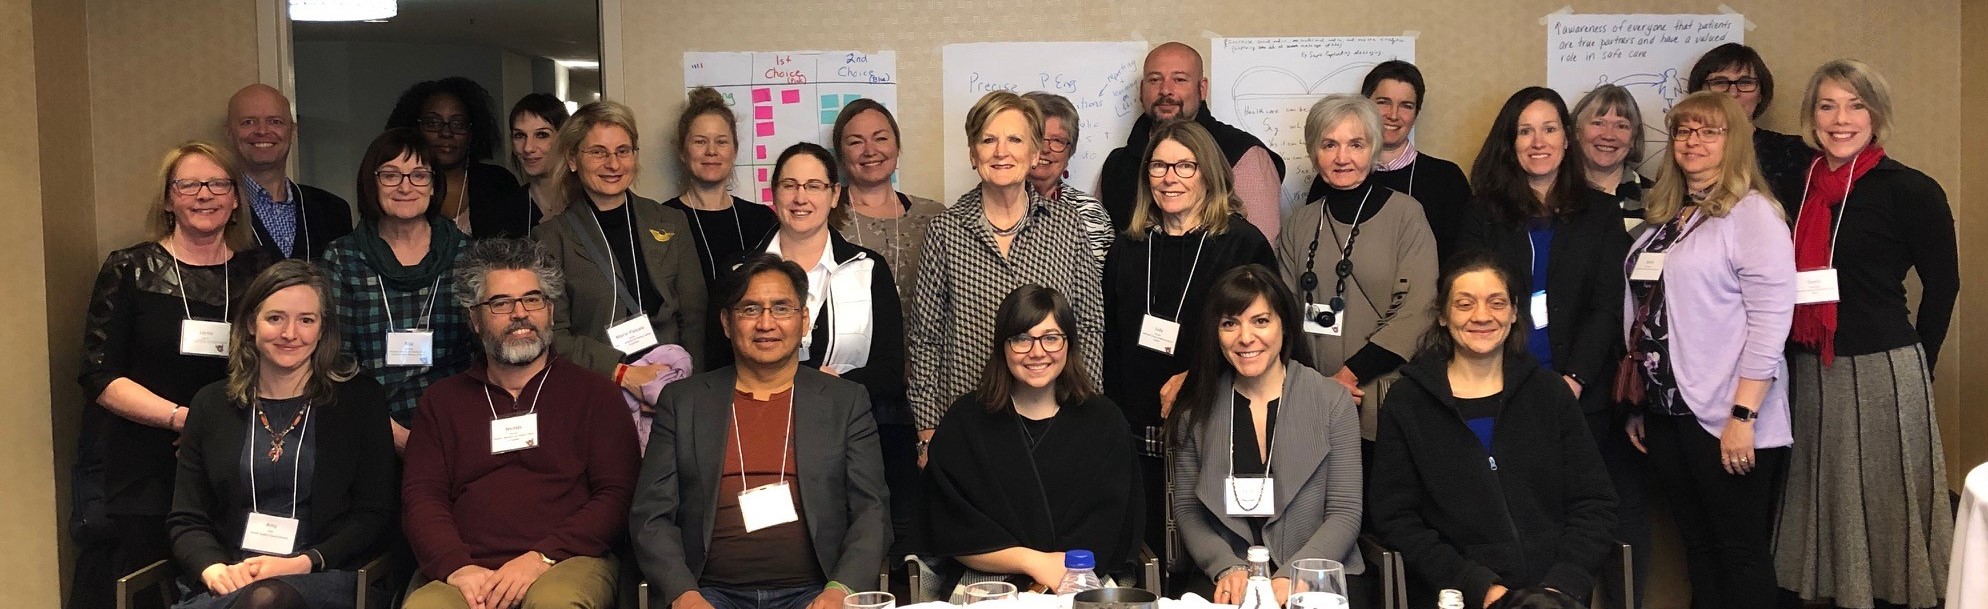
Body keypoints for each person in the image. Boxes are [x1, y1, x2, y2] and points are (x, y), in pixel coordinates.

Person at [1773, 59, 1957, 609]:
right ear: (1811, 116)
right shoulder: (1794, 187)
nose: (1841, 119)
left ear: (1876, 115)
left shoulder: (1911, 189)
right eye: (1827, 105)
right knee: (1823, 500)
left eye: (1856, 105)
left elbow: (1943, 288)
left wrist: (1916, 368)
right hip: (1808, 363)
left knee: (1886, 503)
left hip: (1883, 367)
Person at [1456, 86, 1639, 608]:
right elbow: (1469, 302)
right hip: (1501, 388)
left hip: (1582, 393)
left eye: (1550, 128)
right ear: (1509, 141)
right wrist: (1516, 382)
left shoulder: (1601, 213)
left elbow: (1608, 305)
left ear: (1567, 138)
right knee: (1513, 514)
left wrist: (1573, 379)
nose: (1538, 142)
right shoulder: (1482, 214)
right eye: (1525, 130)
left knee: (1579, 518)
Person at [69, 142, 273, 609]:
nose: (205, 195)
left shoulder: (259, 271)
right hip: (142, 463)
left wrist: (215, 429)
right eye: (188, 185)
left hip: (234, 456)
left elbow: (283, 357)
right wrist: (183, 419)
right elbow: (99, 375)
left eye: (218, 184)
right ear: (167, 199)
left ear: (236, 198)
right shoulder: (130, 268)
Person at [630, 253, 891, 609]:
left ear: (804, 321)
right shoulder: (684, 401)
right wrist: (682, 593)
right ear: (726, 322)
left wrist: (839, 590)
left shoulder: (844, 401)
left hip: (815, 592)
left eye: (781, 308)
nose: (765, 323)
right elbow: (650, 516)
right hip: (708, 593)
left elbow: (871, 512)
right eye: (750, 309)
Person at [1622, 92, 1794, 609]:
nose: (1693, 141)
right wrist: (1639, 403)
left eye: (1709, 132)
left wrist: (1743, 414)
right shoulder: (1667, 217)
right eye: (1683, 131)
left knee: (1739, 552)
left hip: (1727, 413)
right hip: (1668, 410)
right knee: (1698, 547)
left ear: (1734, 142)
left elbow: (1770, 322)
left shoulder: (1753, 214)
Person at [401, 237, 640, 609]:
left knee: (554, 605)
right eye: (500, 303)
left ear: (551, 311)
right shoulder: (442, 401)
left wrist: (540, 558)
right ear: (474, 320)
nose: (520, 313)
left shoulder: (596, 395)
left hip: (566, 561)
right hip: (468, 569)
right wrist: (458, 568)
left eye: (533, 299)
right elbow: (422, 499)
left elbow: (617, 496)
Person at [1370, 254, 1617, 609]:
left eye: (1496, 303)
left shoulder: (1549, 392)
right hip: (1458, 596)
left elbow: (1595, 502)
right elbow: (1395, 518)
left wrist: (1561, 585)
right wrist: (1477, 587)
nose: (1482, 316)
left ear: (1515, 312)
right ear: (1442, 315)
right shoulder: (1408, 403)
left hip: (1556, 595)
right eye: (1464, 304)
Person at [166, 260, 396, 609]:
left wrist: (302, 563)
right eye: (275, 318)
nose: (290, 333)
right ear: (249, 325)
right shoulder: (211, 404)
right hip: (232, 576)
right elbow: (187, 517)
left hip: (322, 574)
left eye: (306, 320)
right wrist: (213, 569)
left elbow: (373, 514)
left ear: (322, 330)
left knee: (269, 600)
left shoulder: (360, 401)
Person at [1100, 118, 1277, 562]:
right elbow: (1111, 341)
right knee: (1148, 559)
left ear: (1209, 173)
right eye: (1158, 166)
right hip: (1136, 437)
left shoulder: (1241, 244)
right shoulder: (1128, 246)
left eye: (1185, 166)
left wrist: (1198, 377)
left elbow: (1267, 343)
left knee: (1212, 560)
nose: (1169, 178)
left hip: (1215, 432)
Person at [907, 90, 1106, 464]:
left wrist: (1086, 411)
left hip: (1053, 420)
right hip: (968, 422)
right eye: (988, 140)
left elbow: (1090, 326)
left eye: (1015, 139)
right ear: (972, 154)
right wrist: (928, 430)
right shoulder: (945, 231)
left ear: (1034, 154)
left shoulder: (1066, 226)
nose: (1001, 152)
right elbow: (925, 338)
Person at [753, 142, 916, 557]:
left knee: (851, 549)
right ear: (773, 193)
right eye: (790, 185)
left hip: (853, 438)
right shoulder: (742, 272)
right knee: (772, 550)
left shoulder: (868, 267)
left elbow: (889, 369)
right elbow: (719, 366)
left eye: (814, 185)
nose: (801, 197)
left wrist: (835, 386)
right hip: (761, 436)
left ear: (834, 194)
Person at [925, 284, 1143, 590]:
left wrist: (1061, 574)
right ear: (1003, 345)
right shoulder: (965, 420)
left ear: (1069, 343)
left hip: (1077, 580)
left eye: (1051, 338)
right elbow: (949, 528)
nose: (1037, 352)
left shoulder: (1105, 421)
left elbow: (1111, 528)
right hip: (986, 585)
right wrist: (1032, 562)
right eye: (1022, 339)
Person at [1169, 264, 1365, 604]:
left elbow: (1345, 512)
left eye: (1261, 321)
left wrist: (1295, 575)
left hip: (1317, 574)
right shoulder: (1195, 411)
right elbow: (1187, 512)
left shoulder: (1332, 402)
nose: (1245, 338)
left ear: (1285, 326)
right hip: (1227, 579)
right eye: (1230, 323)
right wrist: (1226, 567)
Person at [1276, 95, 1437, 444]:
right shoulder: (1299, 224)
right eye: (1329, 144)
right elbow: (1282, 313)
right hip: (1311, 400)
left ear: (1374, 149)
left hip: (1384, 401)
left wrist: (1346, 377)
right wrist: (1316, 386)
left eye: (1356, 144)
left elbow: (1417, 311)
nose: (1342, 157)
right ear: (1313, 151)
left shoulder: (1406, 215)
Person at [538, 100, 708, 391]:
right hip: (597, 389)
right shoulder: (552, 237)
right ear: (572, 160)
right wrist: (620, 374)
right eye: (598, 152)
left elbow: (695, 317)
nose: (613, 164)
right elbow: (554, 335)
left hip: (671, 383)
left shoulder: (670, 221)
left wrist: (690, 390)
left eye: (623, 151)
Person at [321, 129, 473, 452]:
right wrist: (393, 435)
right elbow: (336, 360)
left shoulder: (467, 255)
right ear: (371, 183)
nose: (405, 186)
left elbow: (481, 353)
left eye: (418, 175)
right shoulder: (343, 257)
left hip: (456, 430)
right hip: (367, 432)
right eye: (390, 175)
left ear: (434, 185)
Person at [1100, 42, 1287, 239]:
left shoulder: (1244, 154)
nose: (1165, 90)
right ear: (1141, 90)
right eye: (1155, 80)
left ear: (1202, 88)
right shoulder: (1115, 165)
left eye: (1179, 79)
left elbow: (1258, 255)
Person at [1306, 61, 1472, 260]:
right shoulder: (1336, 175)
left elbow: (1461, 260)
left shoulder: (1446, 179)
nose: (1393, 115)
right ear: (1364, 105)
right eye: (1383, 102)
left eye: (1406, 106)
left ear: (1416, 114)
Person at [664, 87, 780, 367]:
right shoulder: (661, 220)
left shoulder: (762, 220)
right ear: (682, 150)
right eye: (700, 141)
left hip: (756, 362)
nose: (711, 152)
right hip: (687, 365)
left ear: (735, 150)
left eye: (722, 142)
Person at [830, 99, 946, 315]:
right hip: (857, 348)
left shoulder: (934, 216)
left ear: (897, 146)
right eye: (856, 142)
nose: (870, 151)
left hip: (926, 347)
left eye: (881, 138)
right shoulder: (824, 219)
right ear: (840, 154)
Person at [384, 77, 526, 237]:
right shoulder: (399, 185)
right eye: (433, 123)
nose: (446, 133)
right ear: (415, 128)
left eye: (458, 124)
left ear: (473, 132)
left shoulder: (499, 183)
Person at [228, 84, 353, 261]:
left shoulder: (333, 211)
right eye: (248, 122)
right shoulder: (214, 209)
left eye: (275, 122)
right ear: (229, 132)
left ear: (292, 132)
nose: (262, 131)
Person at [1686, 43, 1811, 203]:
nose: (1732, 93)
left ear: (1761, 94)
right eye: (1719, 82)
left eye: (1745, 82)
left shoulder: (1794, 152)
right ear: (1699, 93)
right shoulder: (1688, 151)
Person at [1023, 91, 1114, 262]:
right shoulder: (994, 207)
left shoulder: (1090, 212)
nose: (1045, 149)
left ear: (1069, 153)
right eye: (1037, 137)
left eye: (1057, 140)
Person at [479, 92, 571, 238]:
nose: (528, 148)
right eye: (519, 135)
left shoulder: (587, 204)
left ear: (565, 138)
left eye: (542, 135)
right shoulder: (501, 214)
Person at [1569, 84, 1656, 233]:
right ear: (1577, 131)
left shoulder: (1658, 199)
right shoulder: (1553, 194)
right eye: (1598, 123)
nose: (1608, 135)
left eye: (1621, 126)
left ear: (1633, 138)